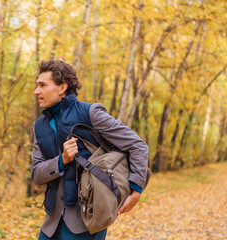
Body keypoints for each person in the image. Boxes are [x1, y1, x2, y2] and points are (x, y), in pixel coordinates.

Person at [31, 60, 149, 240]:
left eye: (42, 85)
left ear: (62, 88)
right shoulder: (39, 126)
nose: (36, 91)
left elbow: (137, 145)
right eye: (37, 85)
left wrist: (136, 190)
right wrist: (61, 160)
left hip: (89, 219)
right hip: (51, 224)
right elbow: (37, 175)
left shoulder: (90, 113)